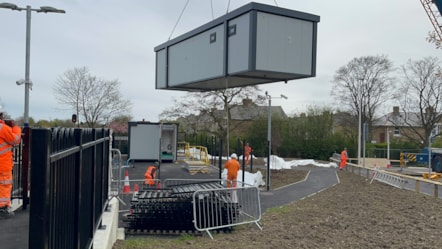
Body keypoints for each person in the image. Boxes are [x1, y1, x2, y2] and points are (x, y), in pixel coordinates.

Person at [0, 109, 22, 219]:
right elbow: (15, 139)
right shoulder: (2, 128)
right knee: (4, 185)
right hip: (2, 165)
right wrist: (16, 128)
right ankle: (2, 209)